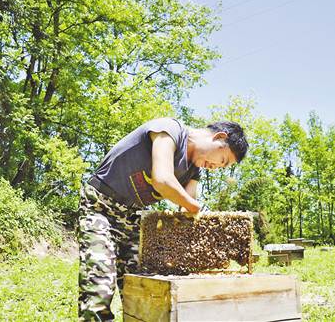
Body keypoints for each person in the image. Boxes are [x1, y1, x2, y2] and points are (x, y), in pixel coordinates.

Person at [78, 117, 248, 321]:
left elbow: (187, 211)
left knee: (145, 289)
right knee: (99, 284)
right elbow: (162, 179)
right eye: (222, 160)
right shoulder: (170, 130)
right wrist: (192, 206)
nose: (216, 167)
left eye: (221, 167)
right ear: (219, 137)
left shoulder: (194, 170)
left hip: (133, 219)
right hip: (100, 207)